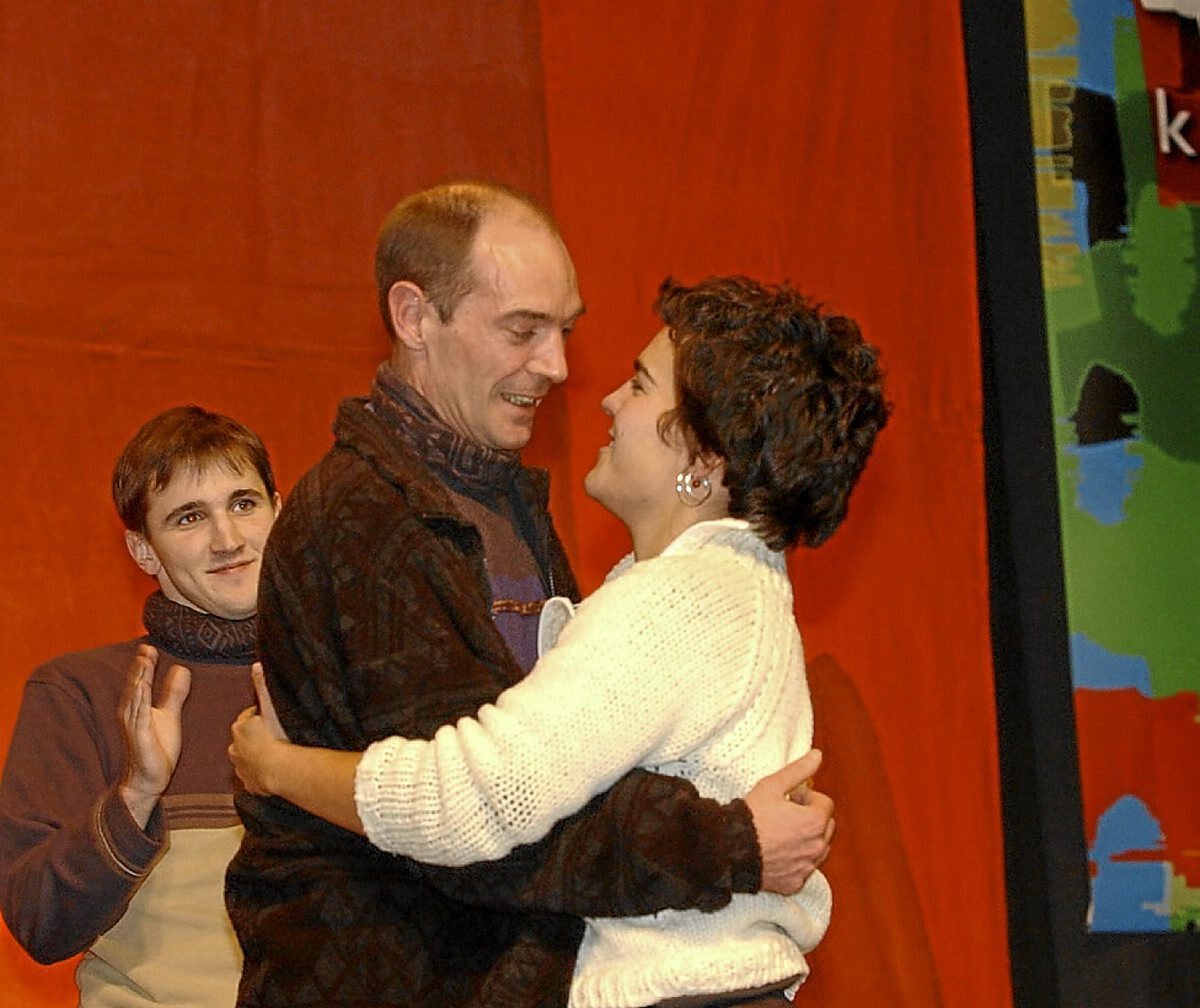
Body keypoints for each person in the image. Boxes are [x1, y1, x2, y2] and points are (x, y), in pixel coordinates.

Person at [224, 181, 837, 1008]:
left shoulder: (523, 512)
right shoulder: (364, 517)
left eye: (565, 331)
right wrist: (730, 839)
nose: (559, 367)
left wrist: (283, 767)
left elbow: (526, 789)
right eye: (523, 330)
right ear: (414, 317)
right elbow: (477, 820)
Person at [0, 405, 281, 1007]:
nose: (228, 540)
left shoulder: (351, 682)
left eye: (243, 504)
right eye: (189, 517)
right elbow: (38, 925)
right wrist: (137, 794)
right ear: (143, 550)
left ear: (279, 512)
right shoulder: (80, 691)